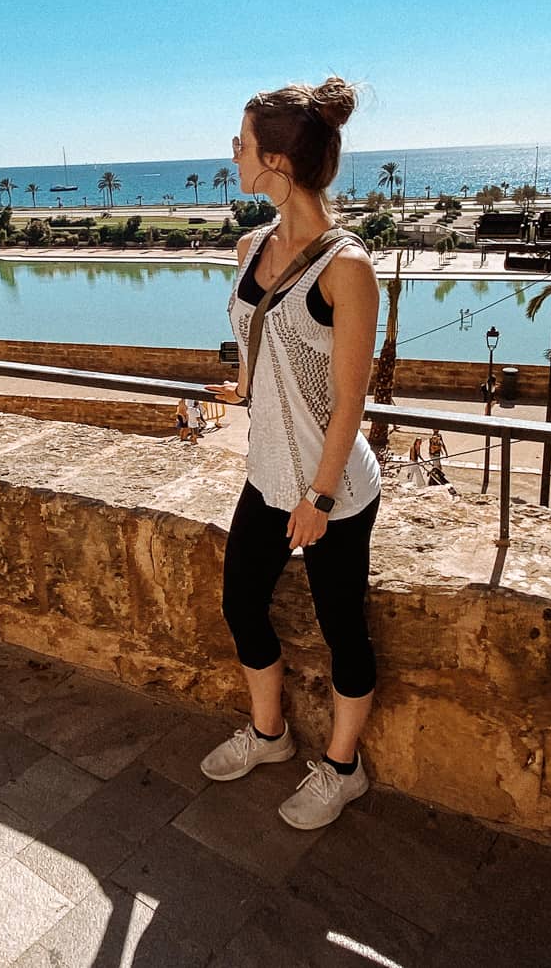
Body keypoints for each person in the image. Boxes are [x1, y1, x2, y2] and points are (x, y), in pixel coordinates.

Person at [200, 77, 382, 831]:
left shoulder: (347, 268)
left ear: (275, 160)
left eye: (241, 145)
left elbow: (349, 402)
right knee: (241, 601)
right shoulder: (250, 247)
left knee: (344, 628)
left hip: (331, 488)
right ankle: (271, 736)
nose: (232, 155)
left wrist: (320, 497)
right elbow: (258, 348)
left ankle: (345, 769)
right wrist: (239, 389)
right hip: (267, 477)